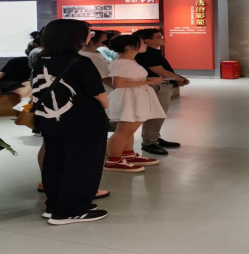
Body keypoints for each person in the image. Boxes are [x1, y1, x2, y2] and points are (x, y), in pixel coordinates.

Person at [32, 19, 110, 225]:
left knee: (55, 161)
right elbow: (99, 94)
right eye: (88, 32)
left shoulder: (41, 60)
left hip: (51, 121)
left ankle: (55, 205)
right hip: (84, 122)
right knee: (82, 164)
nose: (90, 35)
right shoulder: (81, 62)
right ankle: (70, 210)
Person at [105, 35, 165, 173]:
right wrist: (150, 82)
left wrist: (147, 80)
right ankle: (113, 160)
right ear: (130, 47)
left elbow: (129, 79)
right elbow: (118, 83)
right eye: (142, 43)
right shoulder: (123, 62)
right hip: (130, 98)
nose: (145, 45)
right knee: (124, 130)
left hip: (135, 96)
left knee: (129, 129)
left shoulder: (129, 61)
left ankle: (128, 154)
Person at [134, 29, 188, 156]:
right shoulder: (146, 54)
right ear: (148, 41)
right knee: (156, 115)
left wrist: (176, 79)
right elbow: (161, 71)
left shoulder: (152, 52)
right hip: (157, 86)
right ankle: (149, 142)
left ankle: (154, 137)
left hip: (161, 85)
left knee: (158, 114)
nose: (163, 38)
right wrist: (181, 79)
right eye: (159, 37)